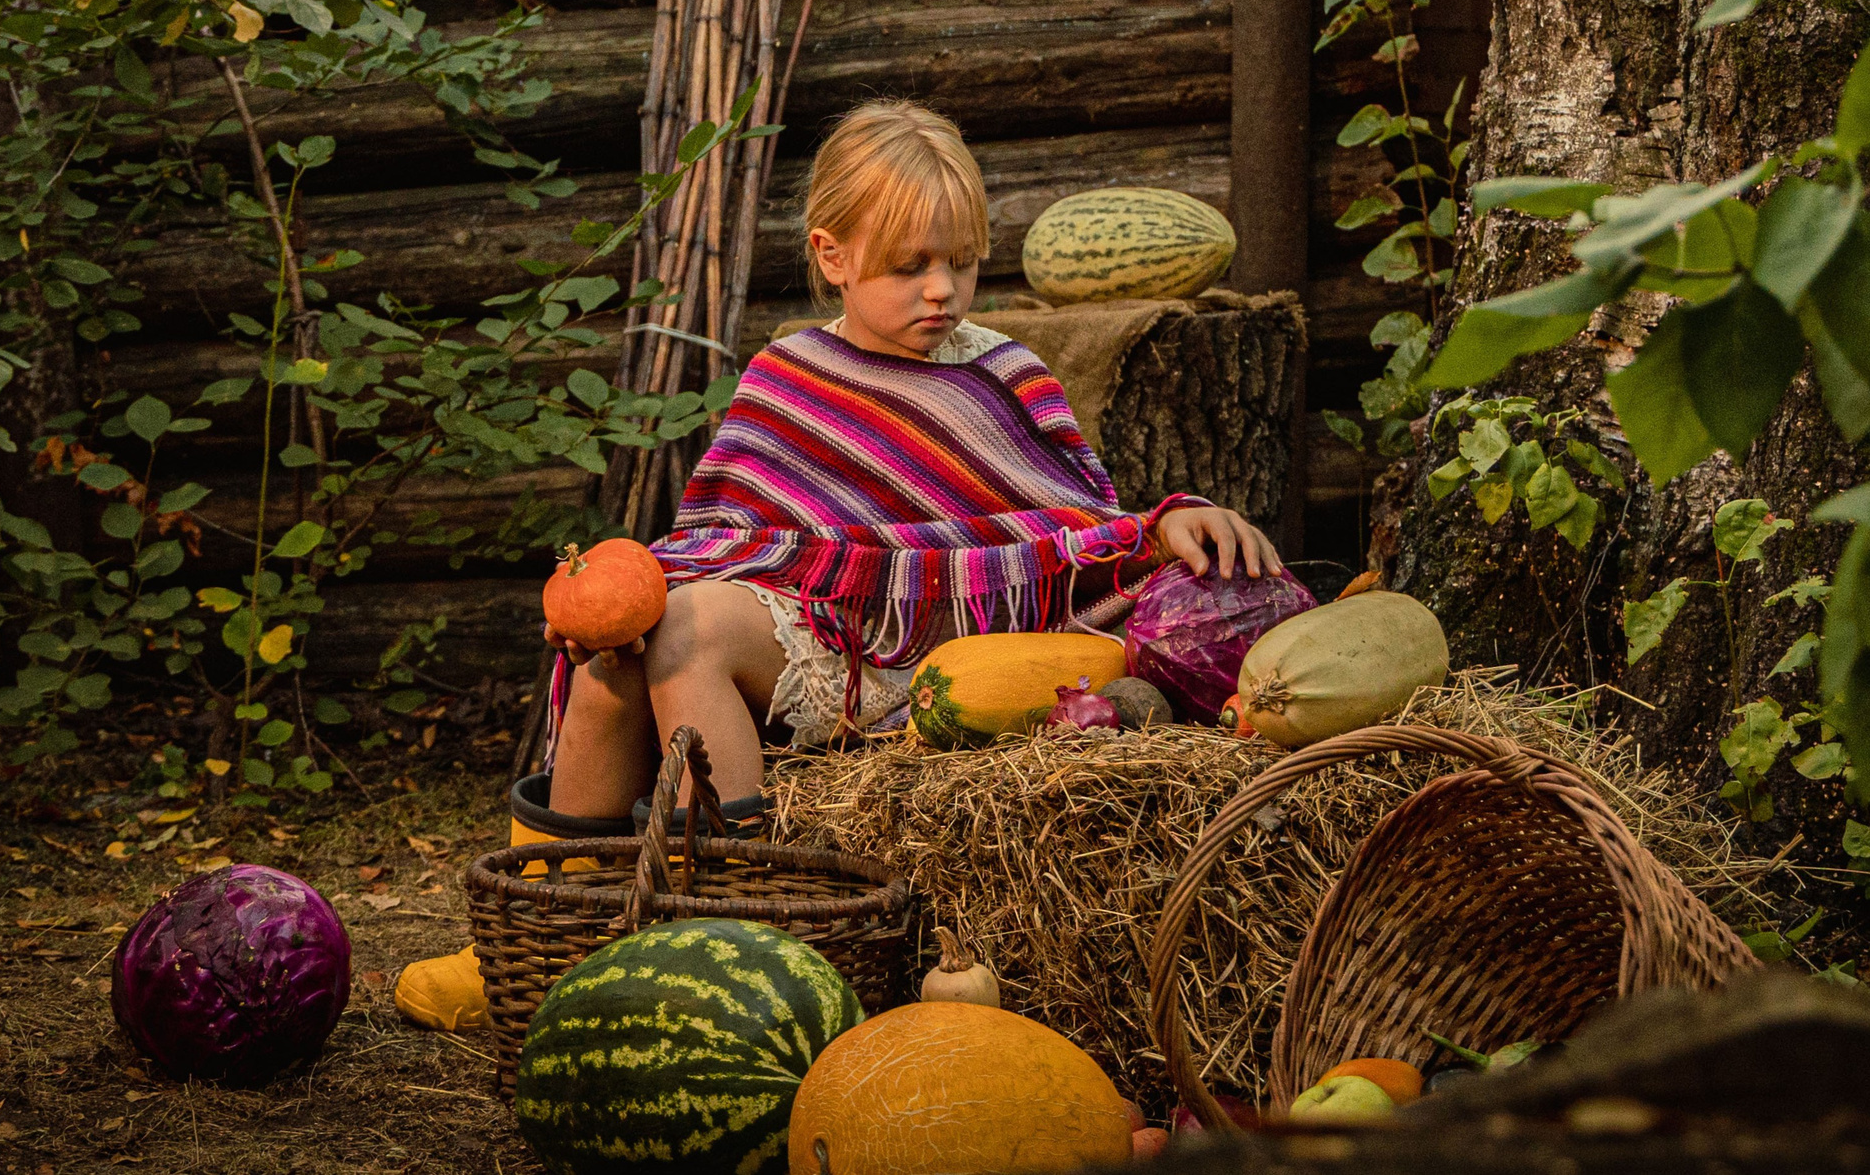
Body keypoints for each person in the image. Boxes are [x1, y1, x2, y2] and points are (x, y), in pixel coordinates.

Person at [394, 99, 1279, 1028]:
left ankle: (735, 924)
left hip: (918, 653)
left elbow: (1073, 525)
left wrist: (1166, 523)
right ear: (833, 256)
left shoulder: (1003, 374)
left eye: (962, 262)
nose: (941, 290)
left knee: (681, 628)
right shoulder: (788, 374)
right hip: (810, 626)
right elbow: (731, 529)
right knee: (626, 646)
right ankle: (539, 935)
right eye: (911, 267)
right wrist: (610, 601)